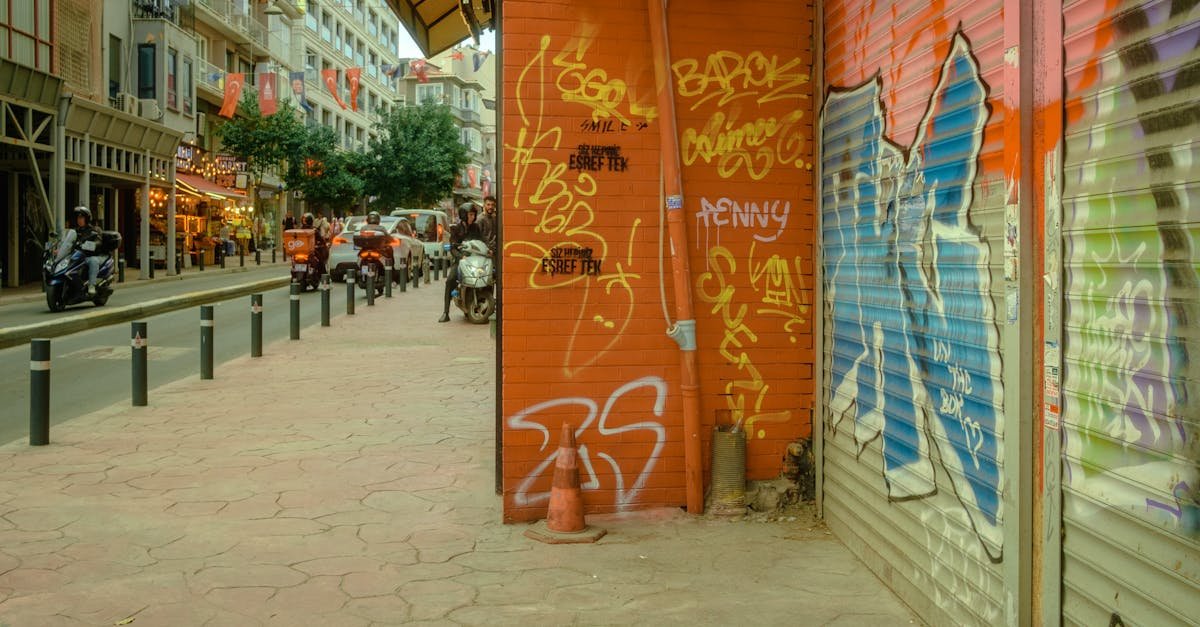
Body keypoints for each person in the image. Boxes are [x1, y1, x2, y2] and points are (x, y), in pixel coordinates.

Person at [439, 203, 482, 322]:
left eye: (473, 214)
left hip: (474, 259)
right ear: (464, 215)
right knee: (450, 280)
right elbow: (452, 248)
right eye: (470, 214)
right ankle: (446, 312)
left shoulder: (476, 227)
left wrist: (487, 249)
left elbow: (481, 240)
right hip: (461, 260)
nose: (472, 217)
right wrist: (460, 257)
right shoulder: (455, 229)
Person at [70, 206, 104, 296]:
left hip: (90, 256)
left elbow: (99, 241)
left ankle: (91, 285)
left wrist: (92, 245)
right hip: (78, 257)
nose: (79, 220)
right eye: (78, 218)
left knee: (93, 261)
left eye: (81, 218)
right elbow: (69, 242)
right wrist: (60, 249)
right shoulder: (75, 231)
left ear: (87, 219)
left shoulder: (94, 230)